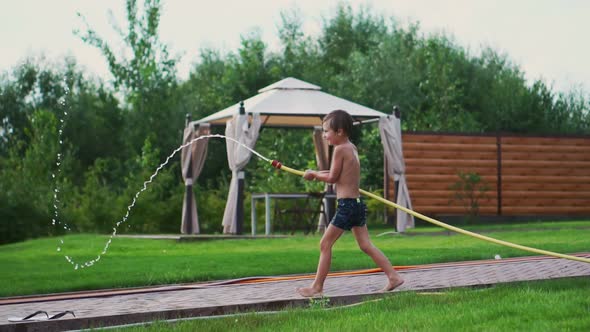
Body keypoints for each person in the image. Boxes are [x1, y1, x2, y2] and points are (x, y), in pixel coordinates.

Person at [297, 109, 404, 297]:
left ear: (339, 131)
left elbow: (331, 178)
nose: (324, 135)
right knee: (365, 245)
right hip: (357, 204)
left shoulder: (339, 150)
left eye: (326, 131)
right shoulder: (350, 147)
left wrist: (314, 174)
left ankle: (317, 287)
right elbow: (336, 175)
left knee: (325, 244)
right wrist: (314, 173)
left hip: (347, 206)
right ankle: (393, 276)